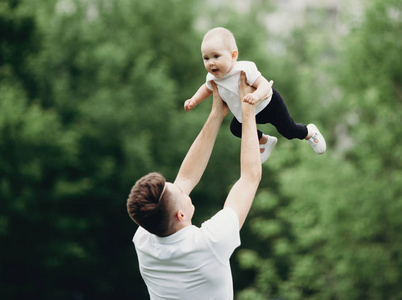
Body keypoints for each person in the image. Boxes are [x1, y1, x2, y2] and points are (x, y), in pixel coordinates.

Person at [127, 72, 262, 299]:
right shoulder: (209, 243)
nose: (182, 186)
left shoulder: (145, 239)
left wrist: (216, 114)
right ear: (180, 214)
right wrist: (248, 111)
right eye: (179, 191)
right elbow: (250, 177)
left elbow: (187, 177)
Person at [184, 27, 326, 163]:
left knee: (289, 131)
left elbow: (264, 84)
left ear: (233, 55)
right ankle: (264, 141)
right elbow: (207, 89)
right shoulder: (212, 78)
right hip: (248, 113)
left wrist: (257, 96)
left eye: (216, 56)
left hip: (270, 105)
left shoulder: (243, 69)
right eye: (206, 58)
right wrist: (194, 100)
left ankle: (310, 133)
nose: (211, 63)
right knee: (235, 128)